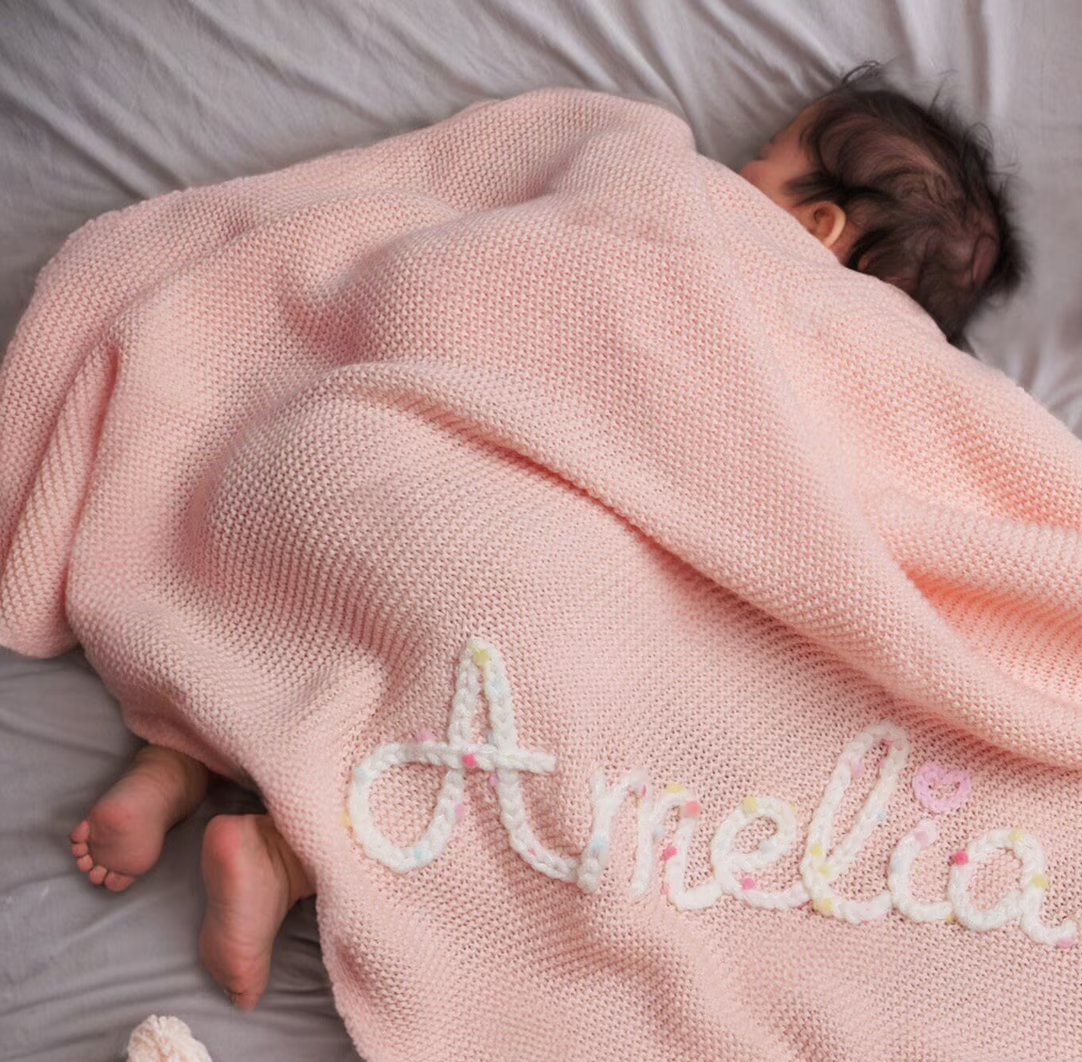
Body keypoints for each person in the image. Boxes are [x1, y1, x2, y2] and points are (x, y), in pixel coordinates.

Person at [68, 63, 1028, 1009]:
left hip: (351, 451)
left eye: (764, 159)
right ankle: (288, 850)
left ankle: (171, 767)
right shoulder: (677, 210)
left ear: (818, 224)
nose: (734, 168)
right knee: (511, 674)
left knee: (304, 627)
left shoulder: (764, 269)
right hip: (499, 503)